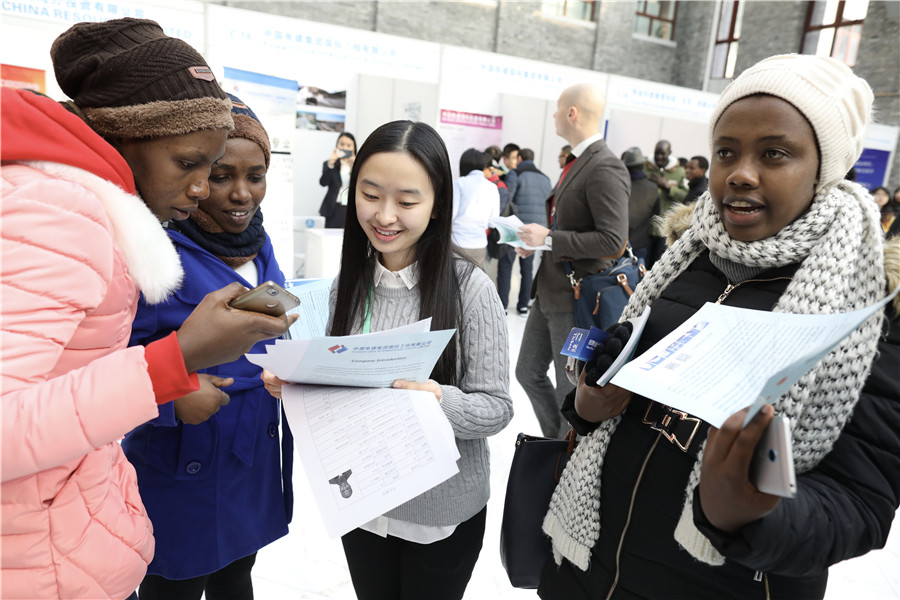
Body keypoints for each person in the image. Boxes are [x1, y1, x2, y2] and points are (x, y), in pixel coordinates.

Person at [539, 54, 899, 600]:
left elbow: (860, 502)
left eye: (775, 153)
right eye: (726, 150)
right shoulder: (683, 260)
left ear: (824, 168)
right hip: (590, 570)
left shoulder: (871, 308)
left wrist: (749, 515)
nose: (740, 172)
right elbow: (609, 414)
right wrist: (587, 404)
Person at [1, 18, 293, 599]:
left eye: (219, 169)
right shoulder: (62, 214)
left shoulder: (92, 212)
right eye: (190, 164)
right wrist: (175, 364)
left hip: (68, 522)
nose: (204, 188)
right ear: (121, 136)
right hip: (44, 548)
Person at [264, 121, 512, 600]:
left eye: (407, 200)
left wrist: (438, 399)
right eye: (370, 194)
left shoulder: (471, 291)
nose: (384, 215)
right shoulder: (344, 288)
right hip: (363, 503)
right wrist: (297, 384)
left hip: (440, 514)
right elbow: (339, 389)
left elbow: (497, 408)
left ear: (438, 204)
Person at [121, 95, 293, 600]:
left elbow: (275, 314)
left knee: (237, 576)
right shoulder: (155, 251)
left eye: (256, 175)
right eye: (222, 175)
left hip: (248, 453)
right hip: (182, 461)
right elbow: (109, 363)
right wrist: (172, 399)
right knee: (173, 583)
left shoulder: (258, 242)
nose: (242, 194)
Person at [515, 83, 630, 438]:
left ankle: (567, 456)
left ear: (572, 113)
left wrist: (549, 239)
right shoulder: (578, 162)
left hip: (574, 300)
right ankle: (556, 441)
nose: (553, 115)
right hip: (549, 291)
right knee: (527, 372)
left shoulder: (604, 166)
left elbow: (612, 240)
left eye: (557, 108)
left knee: (569, 387)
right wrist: (542, 243)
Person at [498, 148, 552, 314]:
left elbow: (508, 198)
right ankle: (523, 305)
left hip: (517, 228)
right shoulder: (545, 178)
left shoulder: (516, 174)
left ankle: (503, 306)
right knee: (527, 269)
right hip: (537, 232)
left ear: (520, 158)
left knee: (506, 266)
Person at [451, 147, 500, 266]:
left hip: (458, 243)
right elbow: (493, 222)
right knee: (473, 283)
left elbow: (452, 214)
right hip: (480, 246)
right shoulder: (493, 188)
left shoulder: (459, 183)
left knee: (454, 282)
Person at [644, 139, 687, 266]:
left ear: (669, 153)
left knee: (658, 263)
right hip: (644, 226)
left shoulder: (679, 172)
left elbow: (685, 196)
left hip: (664, 226)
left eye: (663, 153)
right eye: (657, 153)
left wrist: (667, 187)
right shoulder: (646, 168)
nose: (659, 157)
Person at [620, 146, 658, 260]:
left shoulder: (618, 184)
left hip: (616, 242)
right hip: (639, 243)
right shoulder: (652, 188)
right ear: (642, 165)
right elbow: (654, 219)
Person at [319, 132, 357, 228]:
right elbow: (323, 182)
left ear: (354, 148)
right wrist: (331, 163)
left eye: (349, 145)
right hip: (334, 208)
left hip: (352, 209)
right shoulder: (329, 164)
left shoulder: (358, 165)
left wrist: (355, 167)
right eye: (342, 144)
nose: (345, 147)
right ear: (337, 146)